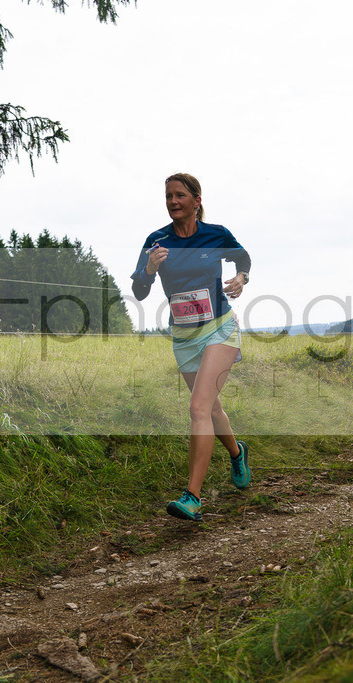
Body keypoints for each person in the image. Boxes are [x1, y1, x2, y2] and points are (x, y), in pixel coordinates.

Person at [131, 173, 252, 521]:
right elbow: (139, 290)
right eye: (168, 196)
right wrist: (150, 269)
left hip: (220, 330)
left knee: (198, 408)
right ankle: (236, 451)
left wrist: (241, 278)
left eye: (180, 196)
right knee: (211, 410)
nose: (172, 202)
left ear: (196, 201)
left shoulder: (216, 234)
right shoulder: (156, 241)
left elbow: (243, 259)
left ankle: (193, 498)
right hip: (184, 337)